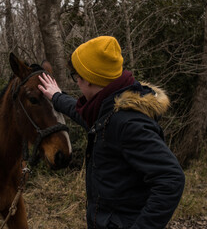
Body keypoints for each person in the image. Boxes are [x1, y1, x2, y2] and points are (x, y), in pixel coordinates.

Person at [38, 36, 185, 229]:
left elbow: (171, 178)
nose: (76, 83)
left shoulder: (127, 122)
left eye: (77, 77)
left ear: (90, 81)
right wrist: (56, 97)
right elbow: (84, 115)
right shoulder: (110, 106)